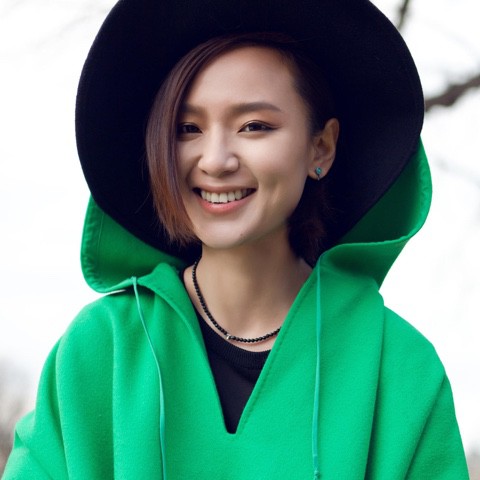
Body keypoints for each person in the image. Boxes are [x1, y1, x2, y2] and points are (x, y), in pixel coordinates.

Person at [3, 0, 469, 478]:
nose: (215, 160)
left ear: (321, 147)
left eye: (254, 126)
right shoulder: (100, 350)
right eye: (187, 129)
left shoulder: (398, 367)